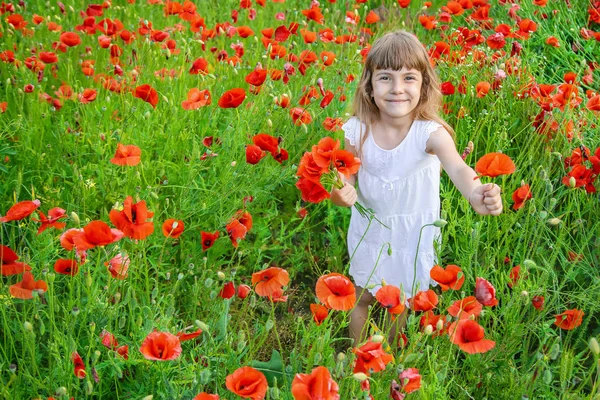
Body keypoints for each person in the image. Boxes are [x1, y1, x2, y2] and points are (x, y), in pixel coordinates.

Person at [330, 31, 503, 346]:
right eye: (385, 77)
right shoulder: (357, 131)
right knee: (362, 297)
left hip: (412, 236)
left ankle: (389, 363)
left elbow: (459, 168)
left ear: (424, 85)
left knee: (399, 304)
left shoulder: (430, 134)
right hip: (371, 232)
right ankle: (359, 356)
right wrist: (340, 192)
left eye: (409, 78)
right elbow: (345, 178)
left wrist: (475, 194)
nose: (397, 89)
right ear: (369, 84)